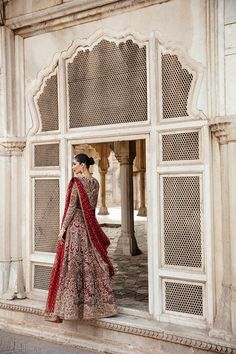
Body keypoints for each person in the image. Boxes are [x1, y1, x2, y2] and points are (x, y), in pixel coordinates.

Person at [44, 153, 117, 322]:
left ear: (83, 165)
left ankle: (69, 308)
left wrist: (62, 229)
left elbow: (71, 208)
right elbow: (92, 208)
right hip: (88, 228)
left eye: (75, 164)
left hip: (75, 228)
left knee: (72, 266)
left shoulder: (77, 183)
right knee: (88, 263)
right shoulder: (96, 183)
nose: (73, 167)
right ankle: (94, 305)